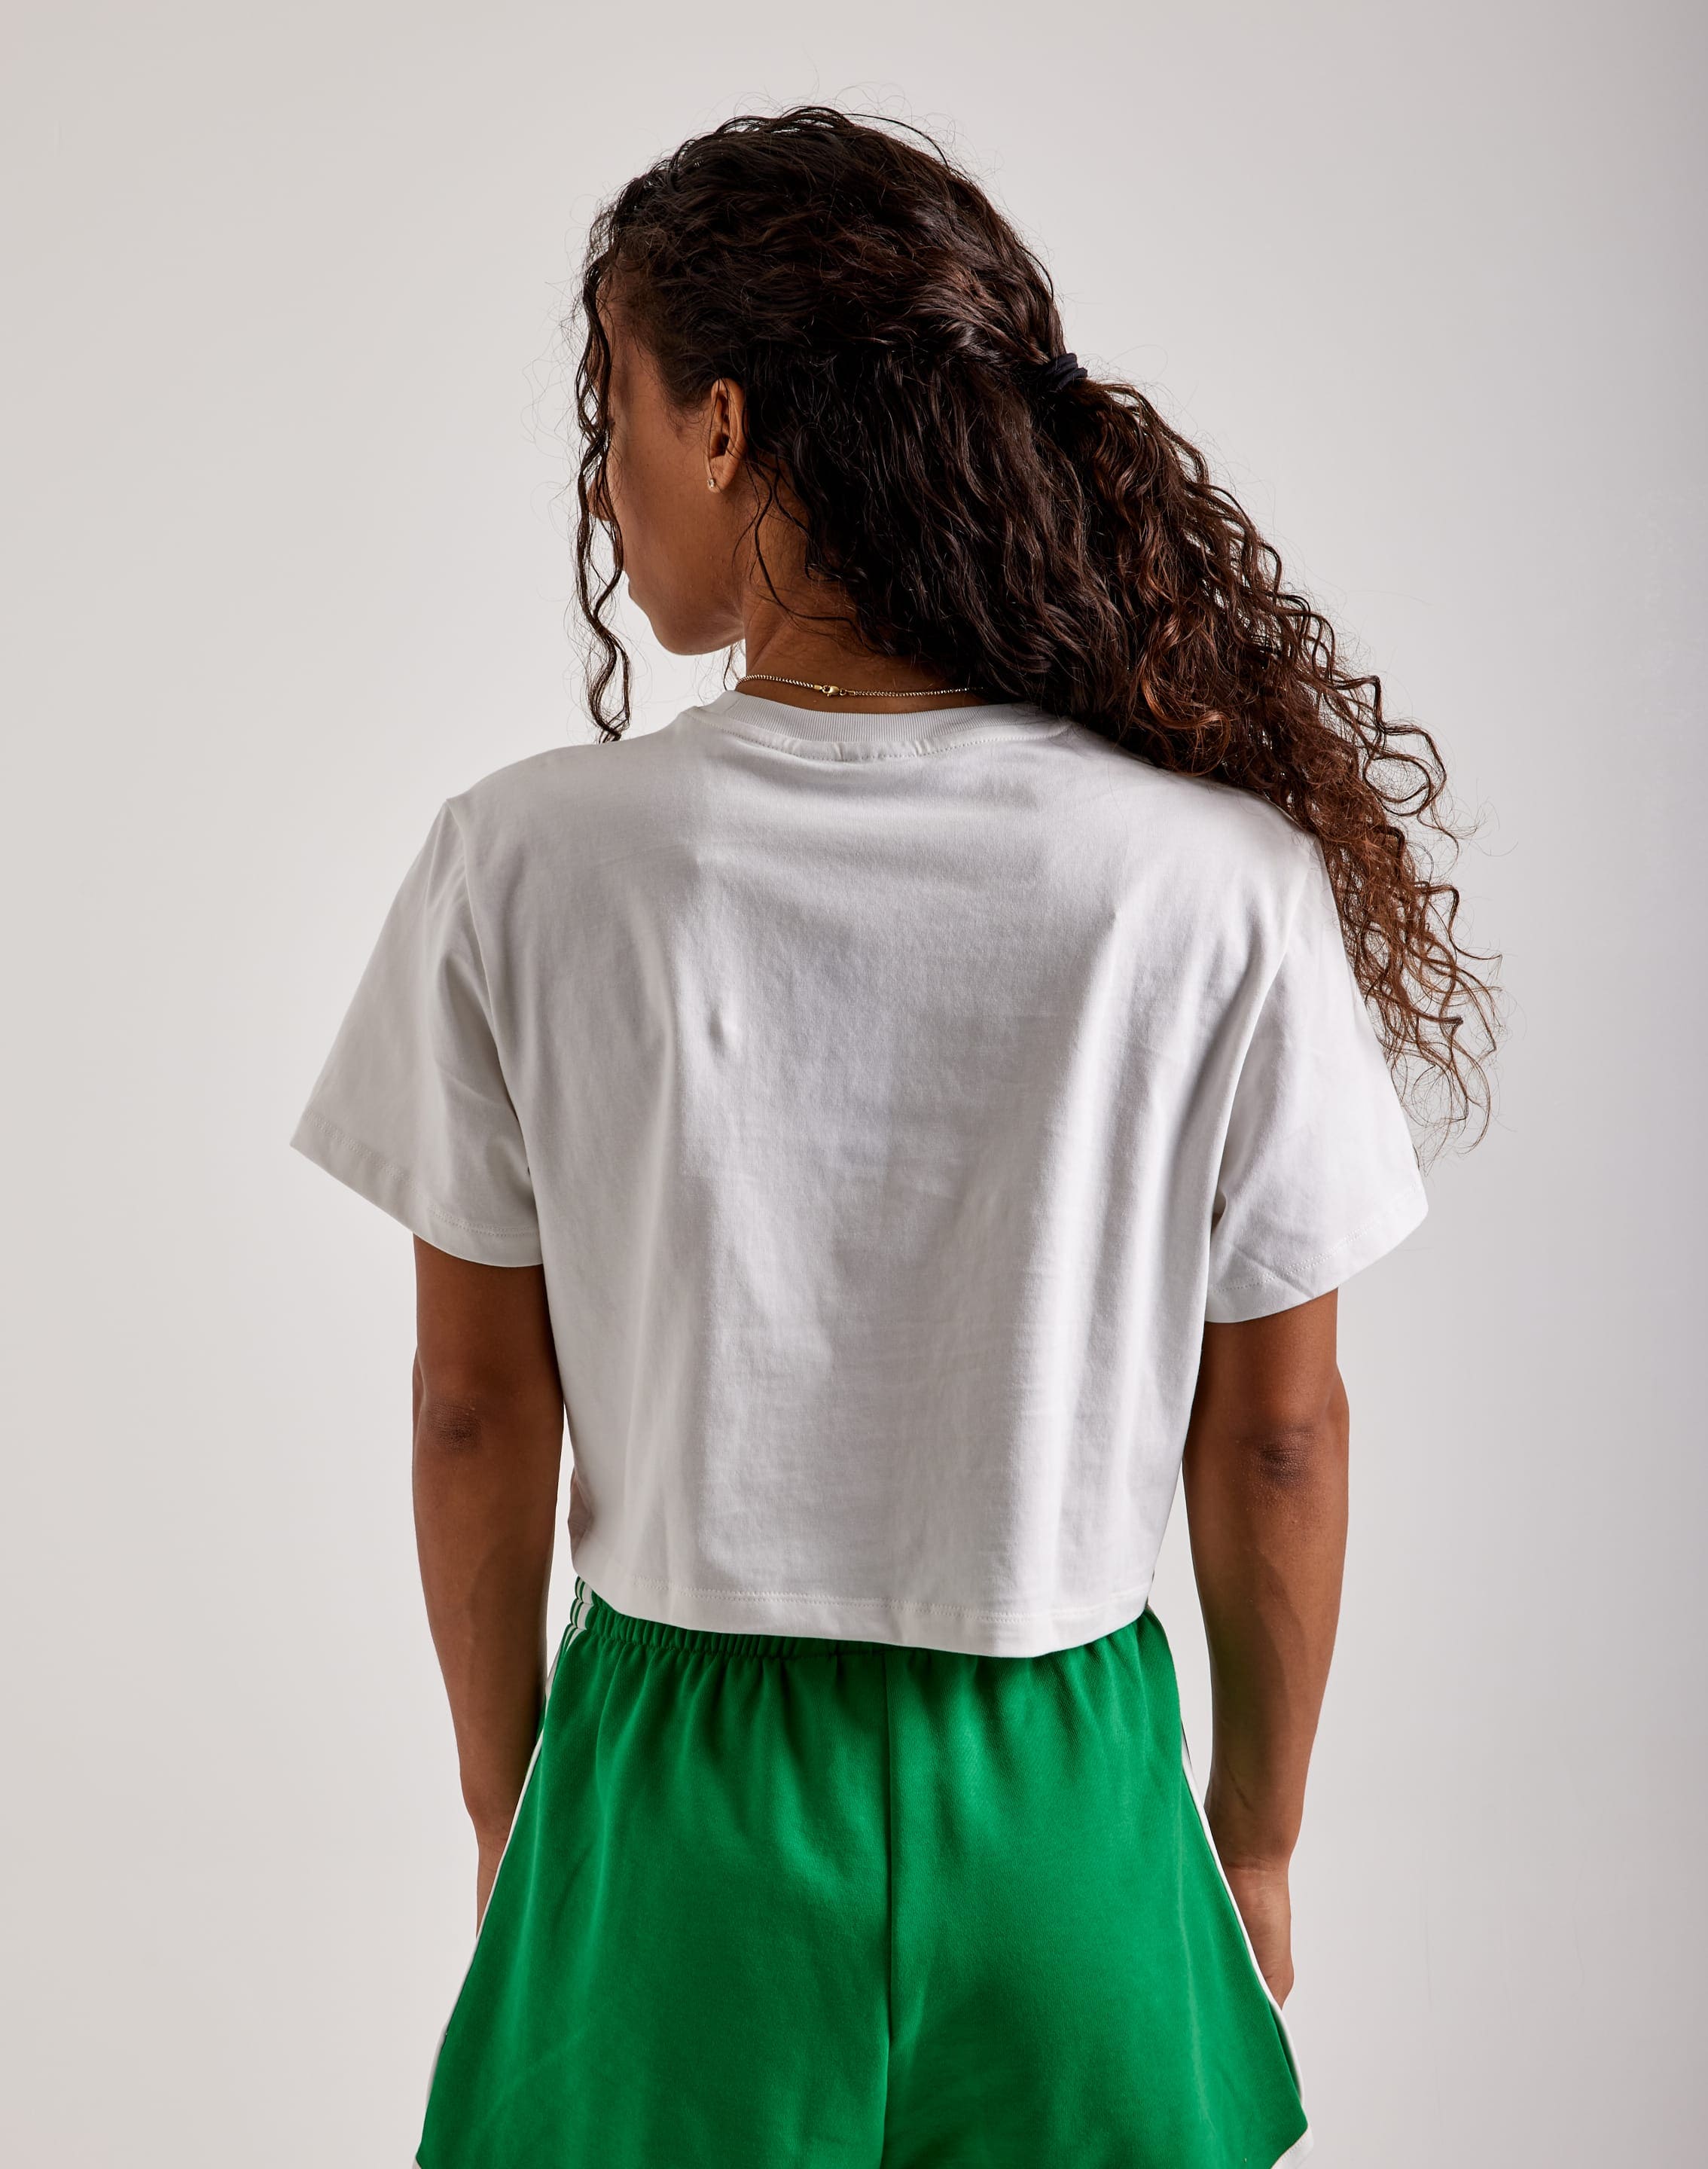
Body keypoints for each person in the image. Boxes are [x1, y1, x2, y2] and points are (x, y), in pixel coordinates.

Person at [291, 106, 1496, 2169]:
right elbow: (1280, 1436)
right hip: (1069, 1802)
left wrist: (512, 1810)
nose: (602, 483)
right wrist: (1253, 1844)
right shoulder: (1213, 883)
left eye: (614, 413)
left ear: (725, 427)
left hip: (674, 1809)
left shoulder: (525, 862)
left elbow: (477, 1412)